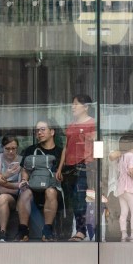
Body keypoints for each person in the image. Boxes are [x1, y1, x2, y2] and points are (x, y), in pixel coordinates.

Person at [57, 94, 96, 240]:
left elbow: (98, 145)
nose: (73, 107)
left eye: (76, 104)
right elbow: (66, 147)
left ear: (86, 107)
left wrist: (95, 164)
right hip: (69, 167)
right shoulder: (71, 124)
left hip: (84, 165)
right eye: (72, 104)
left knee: (80, 198)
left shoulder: (92, 123)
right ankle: (77, 229)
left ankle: (81, 231)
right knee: (72, 199)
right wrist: (60, 168)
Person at [18, 120, 63, 240]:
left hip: (52, 189)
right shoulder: (30, 150)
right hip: (33, 187)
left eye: (43, 129)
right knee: (25, 192)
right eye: (37, 130)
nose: (39, 132)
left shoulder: (59, 152)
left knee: (51, 191)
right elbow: (25, 170)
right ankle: (23, 231)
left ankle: (47, 230)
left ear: (52, 132)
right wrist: (24, 180)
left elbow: (62, 173)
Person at [0, 135, 24, 242]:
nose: (11, 151)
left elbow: (21, 185)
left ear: (17, 148)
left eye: (14, 148)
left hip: (13, 195)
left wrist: (3, 184)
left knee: (3, 197)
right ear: (2, 147)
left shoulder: (21, 160)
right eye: (7, 149)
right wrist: (7, 175)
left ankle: (3, 232)